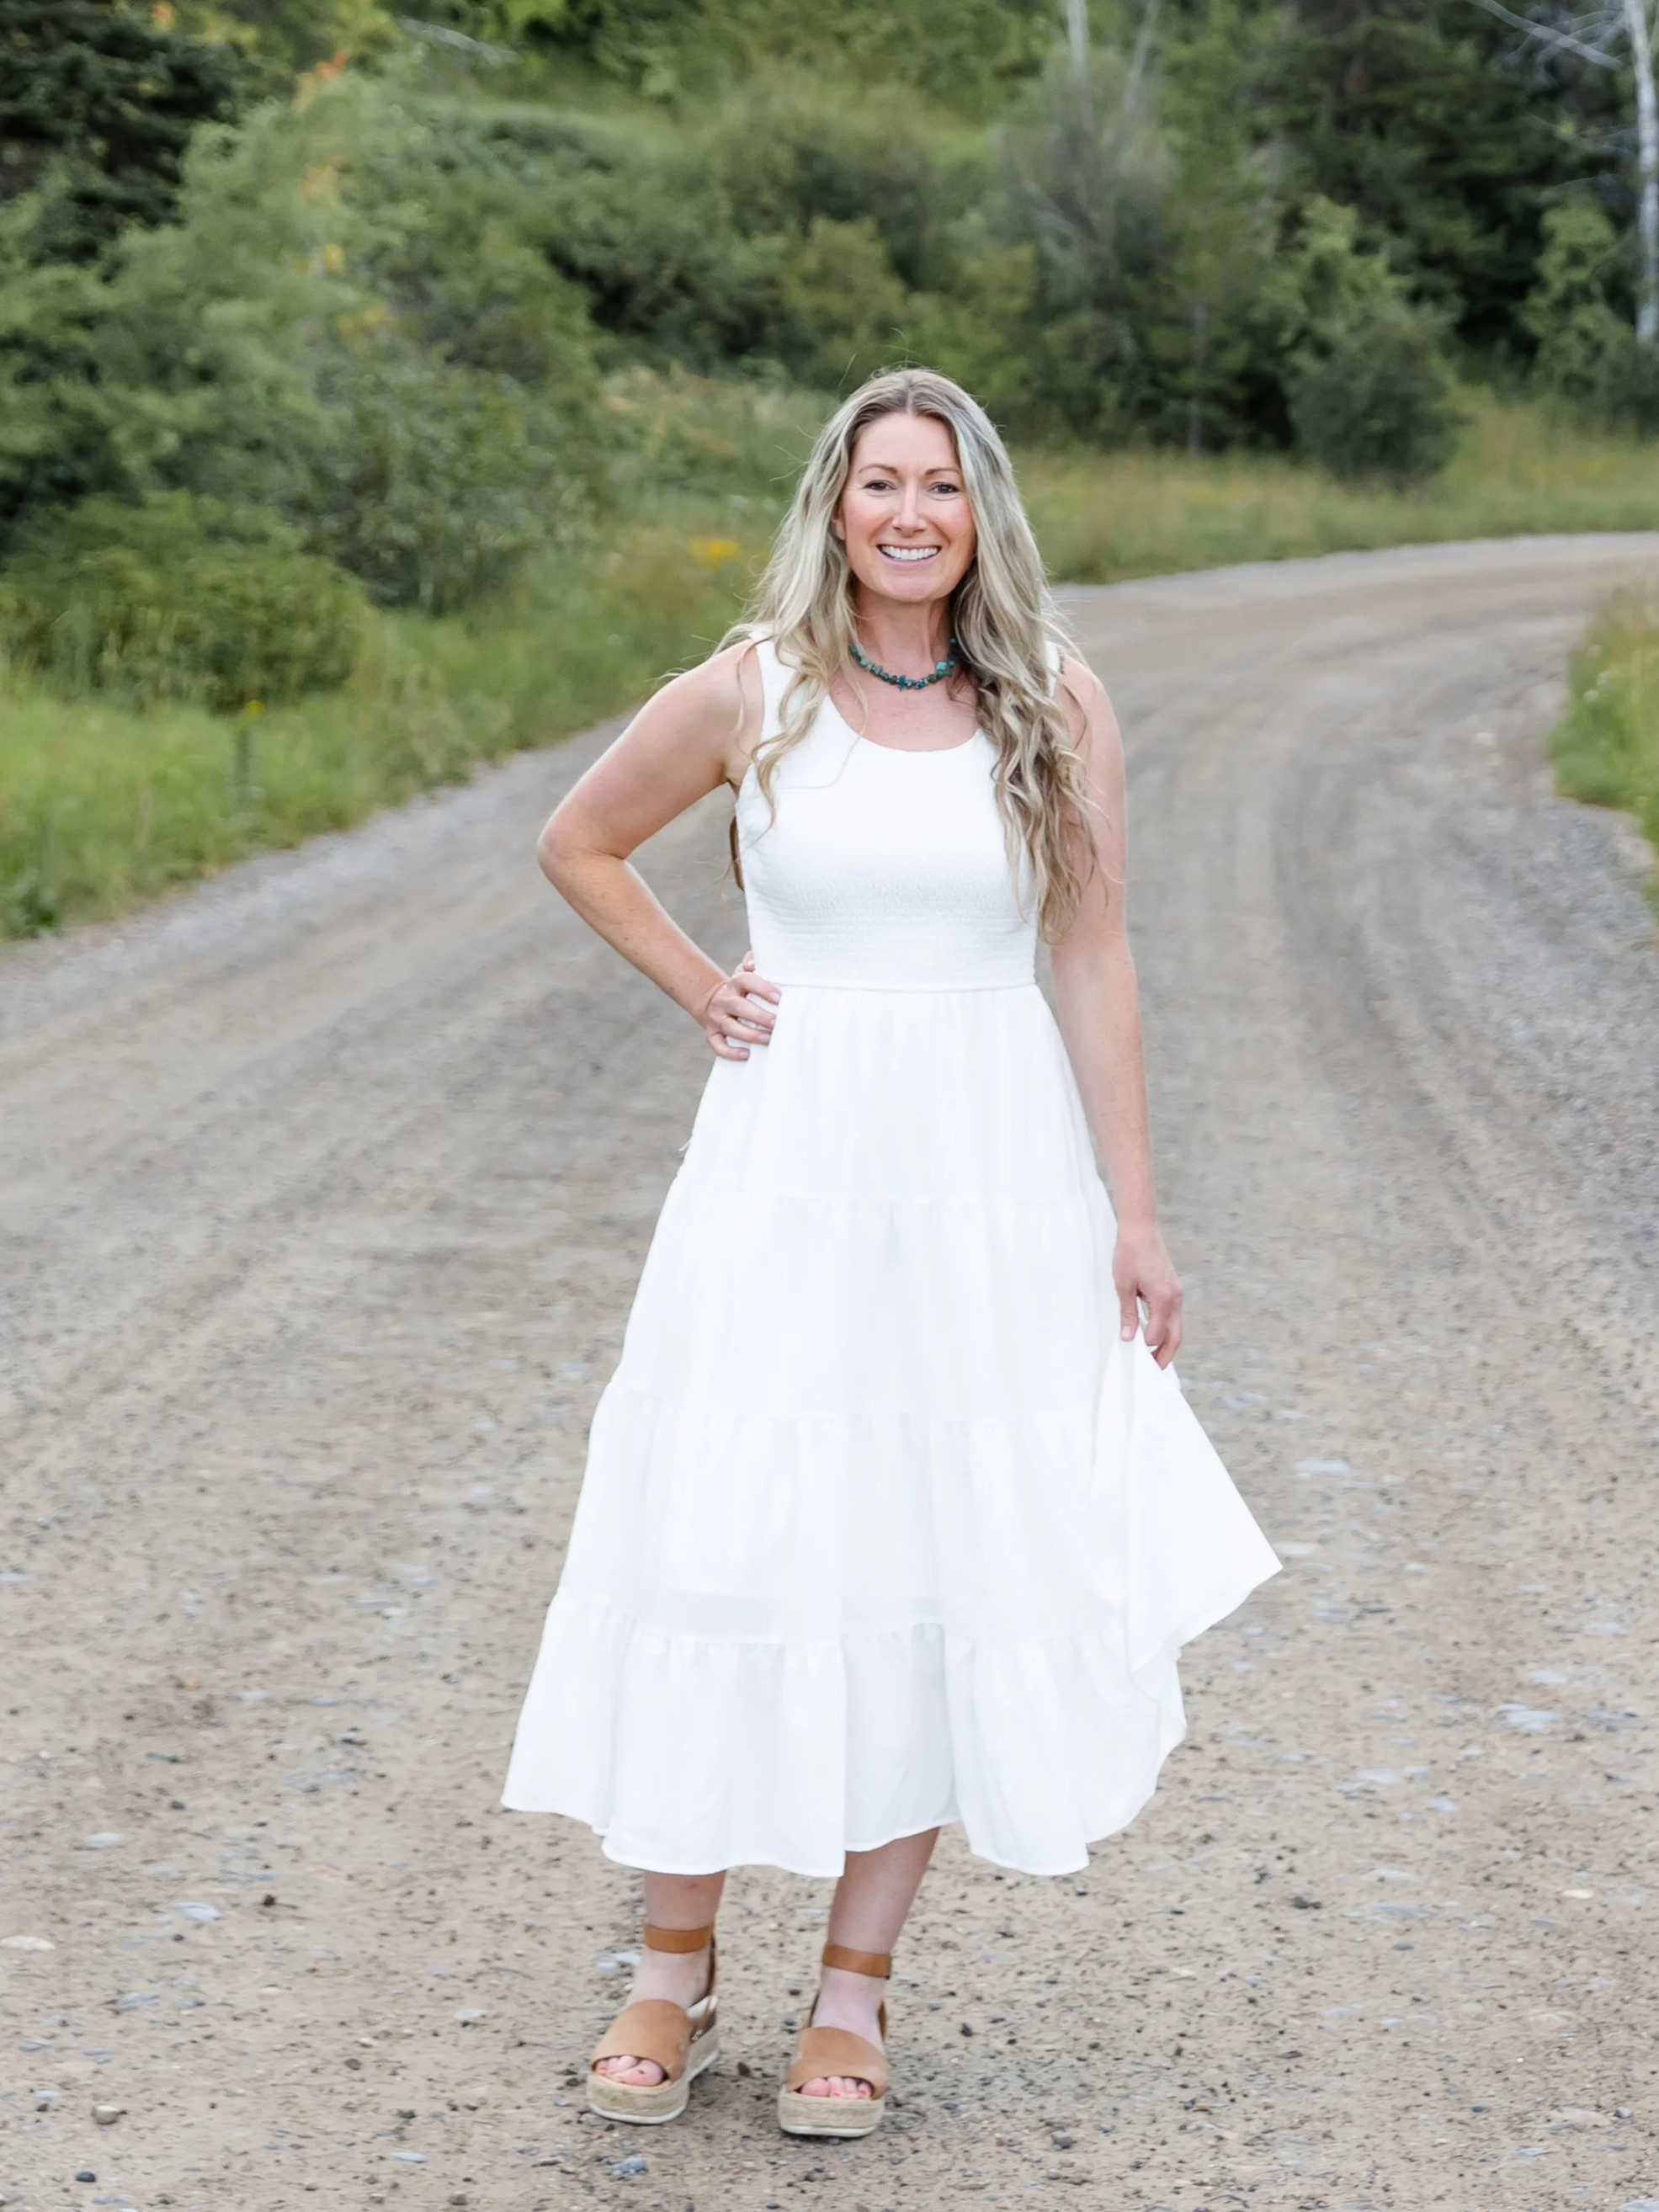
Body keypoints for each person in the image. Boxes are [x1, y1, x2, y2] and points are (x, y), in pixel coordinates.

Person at [502, 366, 1278, 2139]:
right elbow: (579, 840)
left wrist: (1134, 1213)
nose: (910, 513)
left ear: (980, 512)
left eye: (940, 484)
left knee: (933, 1561)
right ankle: (670, 1966)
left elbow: (1090, 954)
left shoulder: (1053, 699)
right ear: (834, 509)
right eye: (880, 484)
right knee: (723, 1536)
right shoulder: (753, 689)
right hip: (783, 1173)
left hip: (985, 1176)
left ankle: (851, 1992)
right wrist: (702, 986)